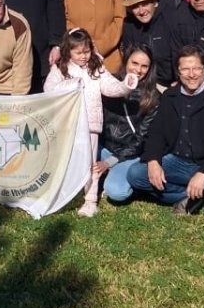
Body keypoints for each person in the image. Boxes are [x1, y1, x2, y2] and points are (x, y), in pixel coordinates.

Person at [127, 45, 204, 227]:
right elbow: (156, 132)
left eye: (196, 68)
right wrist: (154, 160)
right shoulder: (170, 96)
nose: (191, 74)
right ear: (178, 72)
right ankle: (195, 196)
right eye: (185, 69)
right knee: (136, 175)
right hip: (180, 161)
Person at [44, 29, 137, 217]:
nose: (83, 56)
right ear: (68, 50)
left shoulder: (96, 67)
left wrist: (126, 85)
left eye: (86, 51)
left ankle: (90, 200)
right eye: (78, 52)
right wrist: (71, 85)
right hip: (68, 125)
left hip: (91, 125)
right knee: (66, 161)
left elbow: (111, 87)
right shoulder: (60, 68)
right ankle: (63, 197)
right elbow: (49, 90)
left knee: (89, 163)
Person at [96, 45, 160, 205]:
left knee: (116, 192)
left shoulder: (153, 98)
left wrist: (109, 162)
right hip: (104, 148)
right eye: (135, 63)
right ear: (126, 61)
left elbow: (141, 140)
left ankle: (118, 175)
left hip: (129, 154)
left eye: (144, 66)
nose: (138, 70)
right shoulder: (109, 84)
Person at [119, 0, 169, 82]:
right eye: (136, 6)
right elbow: (128, 58)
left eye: (145, 4)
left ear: (155, 3)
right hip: (140, 81)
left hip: (166, 82)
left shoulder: (168, 22)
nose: (141, 11)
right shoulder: (129, 26)